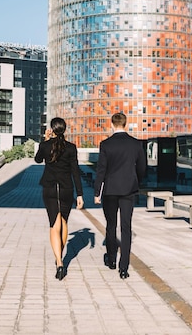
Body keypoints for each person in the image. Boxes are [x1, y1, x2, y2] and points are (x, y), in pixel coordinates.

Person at [94, 113, 146, 279]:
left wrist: (97, 192)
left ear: (112, 125)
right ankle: (124, 268)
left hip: (110, 189)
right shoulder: (135, 144)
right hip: (128, 189)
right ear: (125, 124)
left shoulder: (105, 144)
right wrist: (136, 180)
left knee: (111, 225)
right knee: (126, 227)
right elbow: (142, 167)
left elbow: (101, 170)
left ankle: (111, 259)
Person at [35, 117, 84, 281]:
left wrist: (46, 140)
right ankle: (60, 258)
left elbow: (37, 159)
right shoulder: (71, 148)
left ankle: (59, 262)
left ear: (52, 129)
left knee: (53, 225)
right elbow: (76, 172)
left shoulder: (45, 145)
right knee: (63, 223)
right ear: (64, 130)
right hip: (66, 189)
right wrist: (80, 194)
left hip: (50, 189)